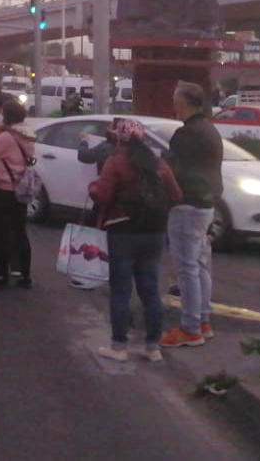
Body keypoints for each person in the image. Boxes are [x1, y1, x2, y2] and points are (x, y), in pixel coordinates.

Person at [88, 118, 183, 363]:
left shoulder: (116, 162)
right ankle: (153, 347)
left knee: (120, 290)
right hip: (154, 233)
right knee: (150, 290)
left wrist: (93, 188)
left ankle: (118, 347)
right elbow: (176, 195)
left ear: (120, 138)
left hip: (123, 232)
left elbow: (103, 195)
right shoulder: (158, 163)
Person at [161, 80, 224, 348]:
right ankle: (203, 321)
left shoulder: (185, 134)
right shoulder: (209, 129)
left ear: (183, 102)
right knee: (199, 265)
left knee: (186, 268)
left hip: (186, 204)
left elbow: (170, 168)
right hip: (206, 203)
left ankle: (190, 328)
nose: (173, 102)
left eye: (175, 97)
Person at [0, 100, 38, 288]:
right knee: (20, 231)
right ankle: (25, 274)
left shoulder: (7, 136)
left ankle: (2, 274)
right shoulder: (28, 133)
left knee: (2, 232)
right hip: (20, 188)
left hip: (3, 188)